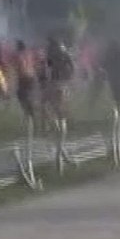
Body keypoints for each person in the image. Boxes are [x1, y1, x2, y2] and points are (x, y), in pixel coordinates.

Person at [43, 37, 75, 171]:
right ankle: (60, 156)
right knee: (62, 120)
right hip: (61, 86)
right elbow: (72, 68)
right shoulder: (64, 53)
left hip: (51, 86)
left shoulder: (49, 54)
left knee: (55, 120)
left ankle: (61, 154)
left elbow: (46, 71)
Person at [14, 41, 40, 132]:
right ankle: (32, 117)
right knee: (30, 96)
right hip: (32, 77)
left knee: (21, 96)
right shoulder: (29, 54)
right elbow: (36, 64)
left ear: (18, 47)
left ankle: (29, 115)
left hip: (24, 78)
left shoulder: (18, 55)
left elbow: (18, 68)